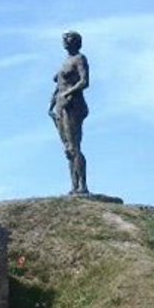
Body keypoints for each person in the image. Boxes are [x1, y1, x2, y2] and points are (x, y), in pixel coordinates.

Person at [49, 31, 90, 195]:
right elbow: (58, 86)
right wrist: (51, 104)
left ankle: (82, 186)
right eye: (64, 39)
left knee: (74, 146)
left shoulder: (80, 59)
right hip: (60, 105)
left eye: (69, 39)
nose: (65, 41)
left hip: (73, 105)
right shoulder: (65, 62)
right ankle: (74, 186)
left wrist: (68, 93)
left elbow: (84, 81)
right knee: (68, 149)